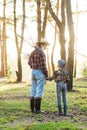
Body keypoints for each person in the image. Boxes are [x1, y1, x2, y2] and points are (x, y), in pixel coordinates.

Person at [28, 39, 49, 114]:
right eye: (45, 46)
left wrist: (33, 67)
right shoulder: (41, 53)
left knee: (33, 89)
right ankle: (37, 110)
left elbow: (29, 62)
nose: (46, 47)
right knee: (39, 90)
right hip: (39, 72)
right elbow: (43, 65)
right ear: (42, 45)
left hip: (33, 71)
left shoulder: (32, 52)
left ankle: (32, 109)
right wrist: (46, 74)